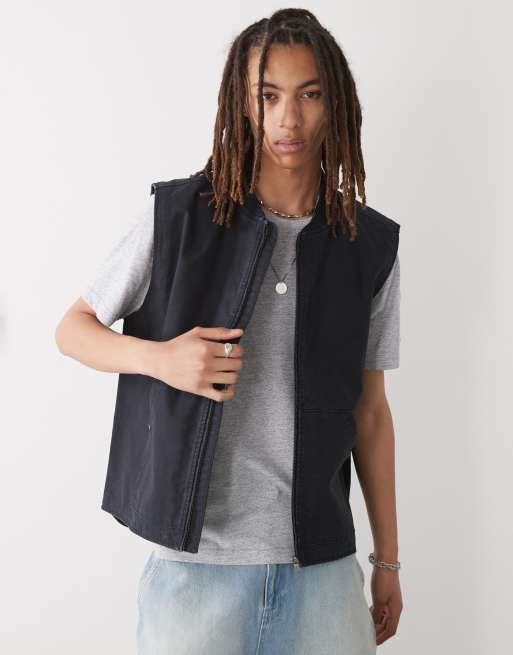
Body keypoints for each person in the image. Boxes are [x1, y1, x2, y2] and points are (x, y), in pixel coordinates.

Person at [55, 8, 403, 654]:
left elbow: (372, 413)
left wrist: (388, 559)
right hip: (195, 573)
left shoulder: (368, 246)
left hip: (322, 572)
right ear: (242, 103)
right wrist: (161, 358)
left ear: (336, 103)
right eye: (268, 96)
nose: (287, 119)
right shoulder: (178, 217)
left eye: (309, 95)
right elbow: (72, 330)